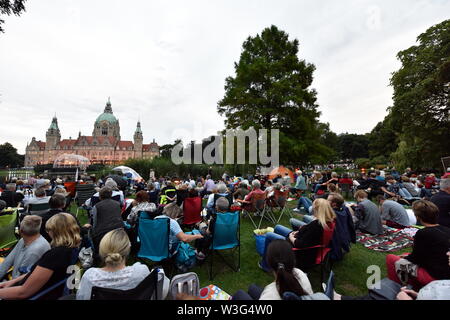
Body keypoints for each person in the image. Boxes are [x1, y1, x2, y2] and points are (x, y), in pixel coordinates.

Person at [0, 213, 81, 299]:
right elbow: (36, 273)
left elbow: (23, 292)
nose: (48, 233)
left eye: (48, 230)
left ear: (55, 231)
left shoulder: (55, 255)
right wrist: (11, 282)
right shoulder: (72, 249)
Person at [259, 198, 336, 272]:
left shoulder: (316, 226)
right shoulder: (325, 221)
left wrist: (291, 237)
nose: (311, 209)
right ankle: (277, 255)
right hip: (299, 238)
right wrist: (298, 232)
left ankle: (265, 265)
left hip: (297, 250)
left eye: (313, 207)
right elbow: (308, 234)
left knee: (269, 235)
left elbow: (300, 244)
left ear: (317, 210)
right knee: (278, 227)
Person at [386, 200, 450, 287]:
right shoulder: (446, 230)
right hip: (445, 273)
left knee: (391, 258)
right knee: (405, 254)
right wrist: (408, 256)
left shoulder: (423, 233)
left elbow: (415, 259)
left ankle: (396, 287)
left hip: (434, 277)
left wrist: (406, 257)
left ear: (418, 217)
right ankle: (414, 284)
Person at [76, 229, 150, 300]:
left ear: (101, 249)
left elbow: (81, 297)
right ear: (128, 249)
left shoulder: (90, 276)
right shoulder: (141, 272)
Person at [233, 240, 320, 300]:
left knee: (239, 294)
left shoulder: (270, 293)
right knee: (252, 288)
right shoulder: (300, 273)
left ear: (269, 263)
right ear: (293, 260)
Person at [0, 216, 50, 280]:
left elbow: (20, 280)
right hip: (14, 281)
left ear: (20, 231)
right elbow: (7, 262)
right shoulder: (23, 240)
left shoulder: (34, 251)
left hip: (18, 285)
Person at [90, 187, 124, 258]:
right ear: (111, 195)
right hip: (119, 230)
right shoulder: (117, 204)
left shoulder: (96, 206)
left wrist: (93, 231)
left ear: (100, 195)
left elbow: (95, 222)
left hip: (104, 233)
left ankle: (96, 253)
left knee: (91, 233)